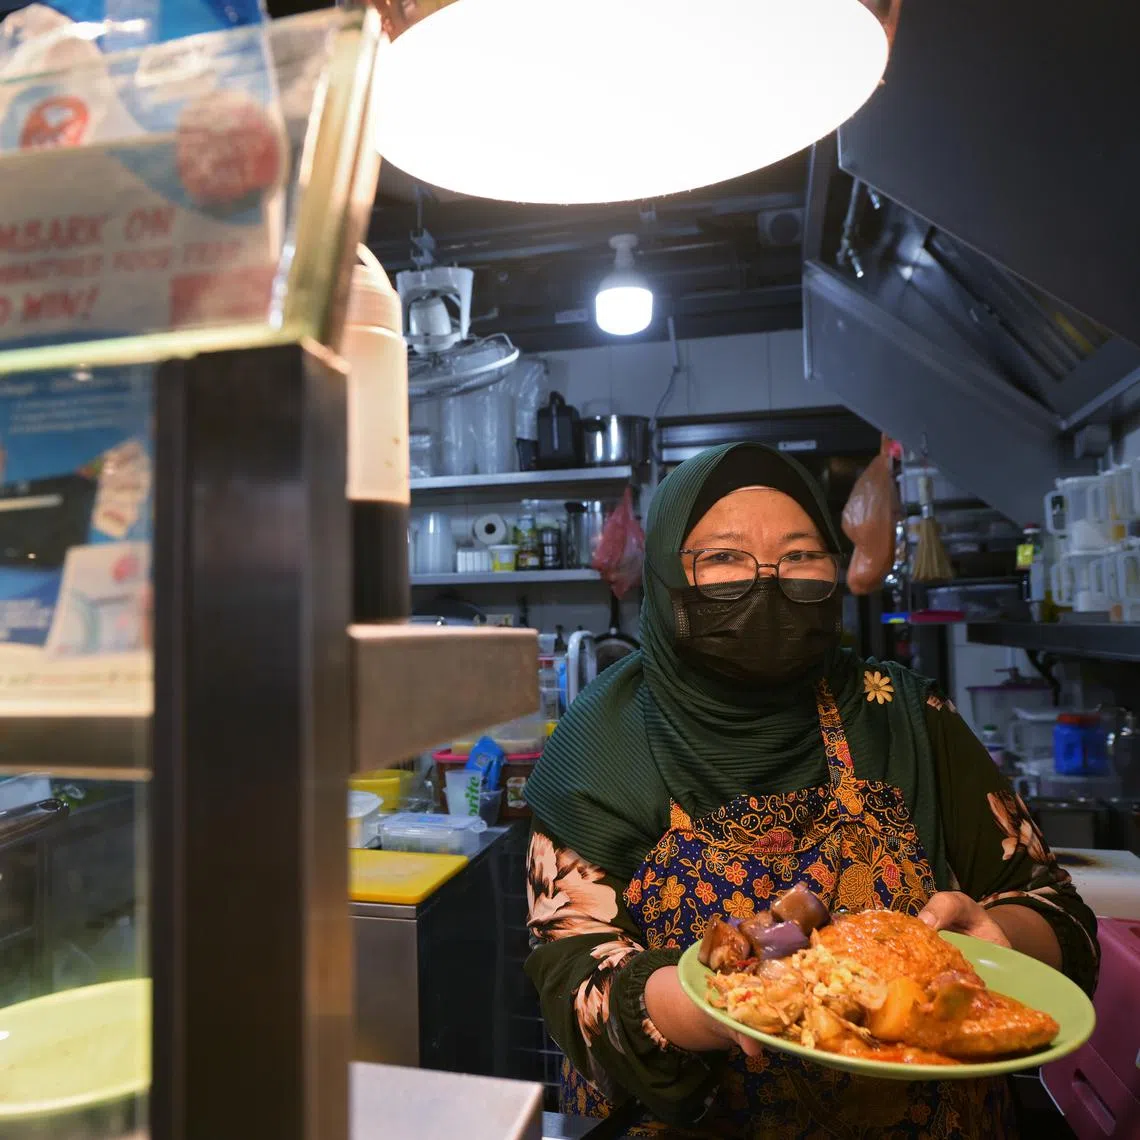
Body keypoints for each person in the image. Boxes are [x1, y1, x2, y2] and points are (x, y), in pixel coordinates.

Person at [524, 443, 1098, 1139]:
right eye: (725, 558)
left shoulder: (905, 715)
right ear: (667, 576)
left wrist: (999, 934)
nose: (767, 583)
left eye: (798, 556)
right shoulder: (603, 747)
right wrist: (717, 1002)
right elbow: (573, 979)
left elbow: (1054, 906)